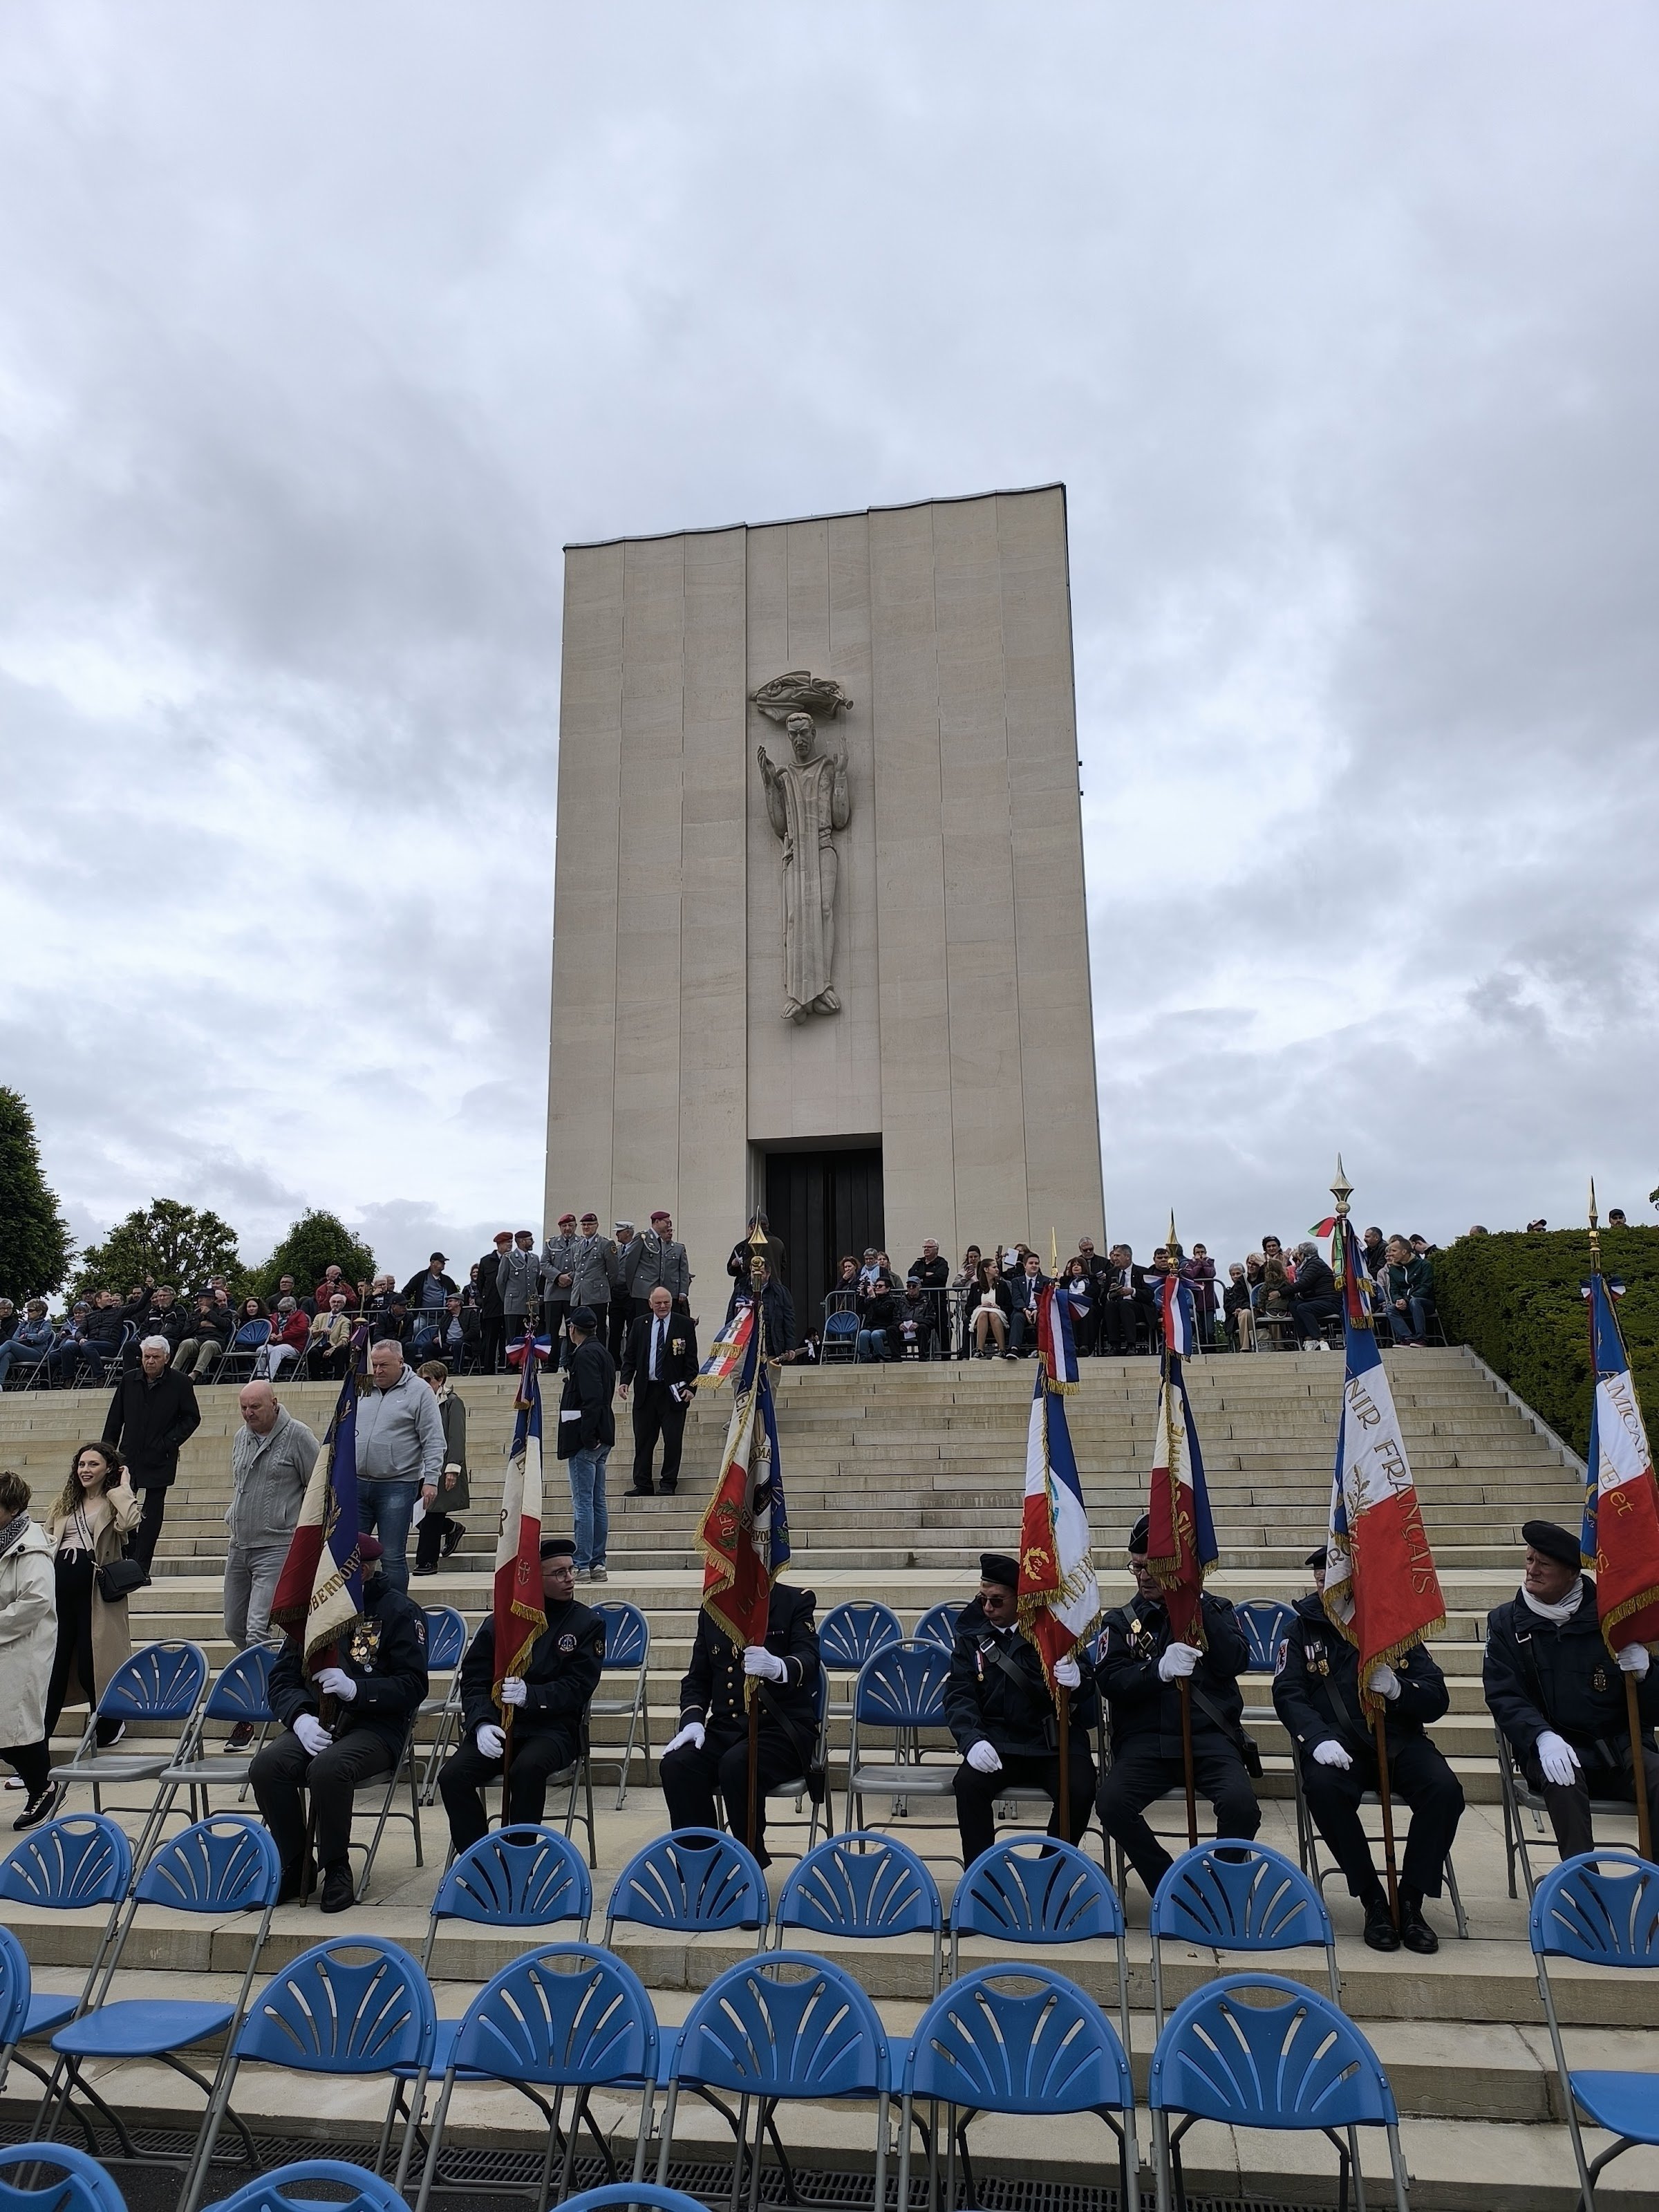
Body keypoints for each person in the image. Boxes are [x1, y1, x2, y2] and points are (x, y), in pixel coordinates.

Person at [1275, 1546, 1463, 1953]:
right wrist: (1316, 1737)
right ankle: (1373, 1898)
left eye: (1332, 1578)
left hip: (1399, 1740)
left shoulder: (1393, 1625)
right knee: (1322, 1789)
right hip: (1337, 1745)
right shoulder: (1303, 1628)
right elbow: (1287, 1692)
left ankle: (1410, 1899)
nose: (1322, 1585)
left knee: (1445, 1791)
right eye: (1319, 1579)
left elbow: (1437, 1698)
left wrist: (1399, 1690)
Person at [251, 1534, 429, 1909]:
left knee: (329, 1769)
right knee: (268, 1766)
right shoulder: (316, 1612)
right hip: (317, 1721)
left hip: (375, 1727)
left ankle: (336, 1868)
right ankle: (296, 1862)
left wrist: (356, 1691)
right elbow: (282, 1678)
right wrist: (299, 1718)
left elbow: (413, 1686)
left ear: (360, 1571)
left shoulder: (398, 1611)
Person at [1095, 1515, 1261, 1895]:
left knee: (1241, 1807)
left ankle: (1223, 1887)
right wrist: (1158, 1671)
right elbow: (1110, 1680)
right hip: (1146, 1742)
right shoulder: (1121, 1622)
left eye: (1154, 1567)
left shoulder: (1214, 1610)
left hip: (1208, 1739)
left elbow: (1236, 1661)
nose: (1144, 1576)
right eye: (1137, 1566)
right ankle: (1172, 1885)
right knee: (1112, 1803)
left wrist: (1195, 1601)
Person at [1483, 1519, 1659, 1859]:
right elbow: (1504, 1695)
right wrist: (1540, 1737)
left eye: (1543, 1564)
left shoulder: (1615, 1619)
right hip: (1552, 1746)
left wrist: (1647, 1673)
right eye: (1529, 1559)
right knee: (1563, 1782)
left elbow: (1654, 1707)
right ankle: (1584, 1895)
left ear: (1571, 1574)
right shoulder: (1505, 1623)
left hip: (1618, 1747)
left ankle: (1655, 1892)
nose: (1532, 1570)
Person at [438, 1537, 604, 1849]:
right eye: (559, 1573)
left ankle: (519, 1856)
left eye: (571, 1570)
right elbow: (474, 1679)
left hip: (553, 1728)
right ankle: (479, 1859)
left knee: (526, 1770)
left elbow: (578, 1687)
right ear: (534, 1579)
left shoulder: (586, 1623)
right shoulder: (503, 1621)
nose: (570, 1579)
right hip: (501, 1725)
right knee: (453, 1777)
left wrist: (533, 1695)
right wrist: (481, 1723)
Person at [944, 1551, 1096, 1866]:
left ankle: (1049, 1874)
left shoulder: (1052, 1628)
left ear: (1021, 1599)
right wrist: (971, 1739)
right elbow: (959, 1694)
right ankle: (983, 1881)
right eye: (983, 1599)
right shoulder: (972, 1636)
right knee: (968, 1785)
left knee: (1080, 1789)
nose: (987, 1608)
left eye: (997, 1601)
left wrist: (1079, 1680)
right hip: (999, 1741)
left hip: (1051, 1741)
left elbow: (1087, 1697)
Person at [660, 1580, 821, 1866]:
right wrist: (693, 1721)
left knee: (737, 1764)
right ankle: (701, 1864)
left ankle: (749, 1865)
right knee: (677, 1764)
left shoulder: (795, 1601)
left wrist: (778, 1667)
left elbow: (809, 1659)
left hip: (782, 1729)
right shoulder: (714, 1608)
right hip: (727, 1728)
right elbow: (697, 1678)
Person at [26, 1442, 144, 1819]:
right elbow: (45, 1540)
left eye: (94, 1464)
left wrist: (121, 1488)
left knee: (94, 1665)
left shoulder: (114, 1500)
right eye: (81, 1464)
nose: (85, 1469)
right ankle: (36, 1750)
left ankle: (108, 1721)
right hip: (61, 1596)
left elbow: (131, 1523)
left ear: (109, 1467)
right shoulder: (65, 1502)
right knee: (54, 1671)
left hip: (96, 1597)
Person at [224, 1384, 319, 1740]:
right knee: (233, 1625)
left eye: (256, 1407)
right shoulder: (240, 1436)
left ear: (275, 1404)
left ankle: (263, 1706)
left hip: (277, 1544)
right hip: (240, 1543)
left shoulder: (299, 1436)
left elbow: (317, 1487)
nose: (249, 1414)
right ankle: (287, 1682)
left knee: (257, 1631)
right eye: (244, 1408)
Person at [101, 1336, 200, 1573]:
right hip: (129, 1456)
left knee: (152, 1511)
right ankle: (128, 1553)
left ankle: (142, 1565)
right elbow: (115, 1418)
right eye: (147, 1357)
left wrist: (169, 1442)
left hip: (161, 1456)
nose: (150, 1361)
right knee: (122, 1505)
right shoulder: (129, 1380)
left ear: (166, 1358)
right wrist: (106, 1451)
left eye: (156, 1357)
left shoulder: (180, 1383)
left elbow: (192, 1418)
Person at [355, 1339, 444, 1593]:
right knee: (350, 1552)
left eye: (384, 1365)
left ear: (401, 1363)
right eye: (374, 1365)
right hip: (357, 1483)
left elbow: (434, 1439)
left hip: (397, 1484)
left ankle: (395, 1611)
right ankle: (349, 1611)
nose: (378, 1370)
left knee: (392, 1554)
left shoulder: (420, 1391)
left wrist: (431, 1479)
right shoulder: (362, 1385)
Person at [0, 1471, 59, 1829]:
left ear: (11, 1507)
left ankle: (43, 1788)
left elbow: (36, 1600)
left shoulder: (30, 1545)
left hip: (21, 1648)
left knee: (18, 1727)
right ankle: (42, 1787)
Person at [620, 1287, 698, 1496]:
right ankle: (643, 1484)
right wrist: (625, 1381)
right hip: (646, 1392)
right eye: (658, 1303)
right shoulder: (639, 1324)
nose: (663, 1307)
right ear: (650, 1303)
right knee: (643, 1440)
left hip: (674, 1392)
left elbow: (692, 1361)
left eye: (666, 1303)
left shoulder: (684, 1324)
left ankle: (668, 1483)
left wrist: (692, 1388)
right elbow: (630, 1357)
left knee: (673, 1440)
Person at [559, 1309, 616, 1583]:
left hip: (589, 1438)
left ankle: (583, 1563)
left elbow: (592, 1398)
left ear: (573, 1329)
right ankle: (597, 1563)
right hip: (603, 1433)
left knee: (584, 1503)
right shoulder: (602, 1352)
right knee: (597, 1502)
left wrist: (586, 1435)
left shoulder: (583, 1355)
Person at [412, 1360, 469, 1575]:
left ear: (440, 1380)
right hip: (417, 1466)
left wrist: (453, 1468)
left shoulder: (452, 1402)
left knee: (432, 1515)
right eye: (421, 1380)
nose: (424, 1384)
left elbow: (456, 1436)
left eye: (429, 1380)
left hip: (441, 1466)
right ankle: (451, 1528)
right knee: (415, 1513)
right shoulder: (418, 1401)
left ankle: (427, 1562)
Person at [725, 1215, 787, 1321]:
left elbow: (746, 1266)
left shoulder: (750, 1243)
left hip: (752, 1290)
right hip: (775, 1286)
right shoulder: (779, 1243)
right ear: (767, 1225)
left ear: (754, 1226)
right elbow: (783, 1266)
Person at [732, 1255, 796, 1354]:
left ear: (768, 1273)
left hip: (771, 1347)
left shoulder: (780, 1292)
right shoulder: (741, 1289)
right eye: (753, 1272)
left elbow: (789, 1320)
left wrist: (790, 1346)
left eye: (761, 1273)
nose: (756, 1275)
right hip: (745, 1346)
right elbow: (731, 1315)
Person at [565, 1218, 614, 1346]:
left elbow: (613, 1271)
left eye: (590, 1224)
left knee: (598, 1330)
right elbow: (576, 1270)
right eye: (584, 1225)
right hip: (578, 1295)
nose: (587, 1227)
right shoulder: (576, 1246)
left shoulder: (605, 1244)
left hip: (597, 1295)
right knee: (575, 1329)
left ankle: (598, 1359)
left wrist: (603, 1287)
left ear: (597, 1225)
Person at [1379, 1236, 1433, 1347]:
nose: (1391, 1254)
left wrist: (1407, 1300)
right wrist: (1398, 1300)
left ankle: (1421, 1339)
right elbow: (1394, 1290)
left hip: (1424, 1304)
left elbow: (1426, 1287)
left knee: (1415, 1302)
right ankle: (1406, 1339)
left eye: (1394, 1251)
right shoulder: (1393, 1270)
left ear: (1404, 1252)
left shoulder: (1424, 1265)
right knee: (1391, 1309)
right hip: (1405, 1304)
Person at [541, 1212, 581, 1364]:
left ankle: (571, 1362)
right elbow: (544, 1264)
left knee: (574, 1329)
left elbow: (583, 1266)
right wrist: (558, 1277)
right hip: (553, 1293)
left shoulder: (581, 1242)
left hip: (573, 1293)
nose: (567, 1229)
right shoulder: (551, 1243)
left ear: (575, 1226)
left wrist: (570, 1278)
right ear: (560, 1227)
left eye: (570, 1225)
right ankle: (550, 1363)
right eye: (564, 1226)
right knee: (551, 1330)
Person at [1099, 1248, 1154, 1354]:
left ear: (1127, 1256)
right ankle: (1114, 1345)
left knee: (1125, 1304)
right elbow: (1103, 1298)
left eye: (1118, 1255)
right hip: (1118, 1307)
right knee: (1110, 1305)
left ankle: (1131, 1345)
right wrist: (1112, 1294)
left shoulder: (1142, 1272)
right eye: (1114, 1255)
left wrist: (1132, 1291)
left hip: (1138, 1307)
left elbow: (1150, 1295)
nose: (1114, 1258)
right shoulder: (1111, 1273)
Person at [1289, 1241, 1340, 1349]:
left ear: (1303, 1254)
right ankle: (1308, 1339)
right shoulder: (1306, 1266)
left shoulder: (1315, 1264)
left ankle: (1320, 1339)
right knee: (1293, 1305)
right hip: (1317, 1299)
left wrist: (1280, 1292)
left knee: (1304, 1308)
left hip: (1330, 1301)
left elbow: (1303, 1284)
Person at [476, 1231, 514, 1374]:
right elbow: (481, 1283)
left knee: (509, 1338)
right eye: (507, 1243)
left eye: (511, 1242)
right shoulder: (486, 1261)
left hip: (509, 1305)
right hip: (492, 1306)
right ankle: (488, 1370)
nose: (510, 1245)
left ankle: (510, 1367)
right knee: (491, 1340)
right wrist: (484, 1300)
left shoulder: (513, 1259)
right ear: (499, 1245)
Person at [173, 1293, 233, 1382]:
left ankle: (195, 1373)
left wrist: (209, 1313)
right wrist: (200, 1324)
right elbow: (185, 1332)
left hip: (216, 1342)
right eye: (198, 1298)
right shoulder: (195, 1314)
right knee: (186, 1343)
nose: (199, 1301)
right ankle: (173, 1370)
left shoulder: (224, 1312)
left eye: (202, 1298)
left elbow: (226, 1326)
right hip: (198, 1339)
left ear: (212, 1299)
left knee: (208, 1345)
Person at [0, 1301, 55, 1388]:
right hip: (22, 1351)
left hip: (36, 1353)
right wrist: (33, 1337)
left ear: (40, 1312)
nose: (28, 1313)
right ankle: (0, 1384)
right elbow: (15, 1338)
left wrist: (26, 1335)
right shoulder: (23, 1324)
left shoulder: (46, 1324)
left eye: (30, 1310)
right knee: (7, 1355)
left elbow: (41, 1338)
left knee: (9, 1344)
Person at [255, 1296, 309, 1380]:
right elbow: (269, 1329)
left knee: (277, 1350)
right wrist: (271, 1336)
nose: (283, 1314)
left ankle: (268, 1377)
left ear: (293, 1309)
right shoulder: (275, 1316)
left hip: (294, 1345)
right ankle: (260, 1376)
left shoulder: (301, 1315)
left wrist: (284, 1335)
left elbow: (302, 1329)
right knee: (261, 1349)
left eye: (287, 1312)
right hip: (276, 1343)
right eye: (281, 1311)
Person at [1006, 1253, 1048, 1358]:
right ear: (1025, 1266)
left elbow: (1046, 1299)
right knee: (1017, 1317)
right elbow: (1016, 1298)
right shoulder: (1017, 1281)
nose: (1034, 1265)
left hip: (1039, 1310)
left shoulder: (1046, 1281)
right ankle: (1014, 1349)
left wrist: (1037, 1310)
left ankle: (1043, 1349)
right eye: (1031, 1263)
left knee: (1043, 1317)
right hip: (1023, 1310)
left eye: (1036, 1263)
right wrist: (1025, 1310)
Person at [970, 1258, 1013, 1358]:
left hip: (998, 1314)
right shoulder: (975, 1286)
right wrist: (979, 1306)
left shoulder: (1002, 1285)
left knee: (993, 1314)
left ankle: (1002, 1350)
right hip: (980, 1314)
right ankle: (980, 1350)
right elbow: (968, 1308)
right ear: (986, 1269)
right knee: (983, 1314)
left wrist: (998, 1307)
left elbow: (1009, 1306)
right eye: (994, 1267)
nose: (997, 1269)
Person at [855, 1273, 900, 1363]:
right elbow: (860, 1310)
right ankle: (864, 1357)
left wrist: (873, 1297)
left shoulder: (890, 1302)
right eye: (876, 1286)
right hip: (870, 1327)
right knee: (863, 1334)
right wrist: (861, 1295)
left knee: (876, 1335)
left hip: (884, 1328)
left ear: (888, 1289)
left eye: (880, 1286)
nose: (877, 1288)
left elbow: (882, 1312)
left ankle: (880, 1357)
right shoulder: (872, 1299)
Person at [894, 1276, 941, 1361]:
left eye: (914, 1286)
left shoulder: (927, 1302)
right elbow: (895, 1317)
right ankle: (896, 1357)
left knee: (923, 1328)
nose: (911, 1288)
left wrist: (918, 1323)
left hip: (919, 1329)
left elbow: (931, 1319)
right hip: (904, 1329)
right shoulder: (901, 1302)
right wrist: (899, 1324)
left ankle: (922, 1356)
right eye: (909, 1286)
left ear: (919, 1287)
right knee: (892, 1329)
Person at [1058, 1257, 1098, 1355]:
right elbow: (1062, 1294)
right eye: (1074, 1265)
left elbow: (1094, 1292)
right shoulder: (1066, 1281)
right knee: (1068, 1310)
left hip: (1086, 1305)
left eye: (1078, 1265)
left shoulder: (1091, 1280)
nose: (1076, 1267)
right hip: (1071, 1305)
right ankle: (1073, 1345)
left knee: (1089, 1310)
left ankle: (1085, 1345)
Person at [1182, 1244, 1218, 1349]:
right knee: (1200, 1329)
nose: (1200, 1254)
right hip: (1196, 1301)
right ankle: (1202, 1349)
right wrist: (1198, 1263)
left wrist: (1204, 1263)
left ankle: (1212, 1349)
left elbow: (1211, 1273)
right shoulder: (1189, 1264)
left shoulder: (1210, 1262)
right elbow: (1191, 1275)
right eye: (1198, 1252)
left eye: (1202, 1252)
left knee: (1210, 1330)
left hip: (1209, 1301)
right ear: (1194, 1254)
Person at [1223, 1264, 1255, 1351]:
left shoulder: (1249, 1287)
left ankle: (1247, 1346)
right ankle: (1245, 1347)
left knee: (1245, 1313)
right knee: (1244, 1313)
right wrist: (1238, 1309)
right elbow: (1228, 1306)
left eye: (1238, 1274)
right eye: (1233, 1274)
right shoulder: (1229, 1291)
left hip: (1252, 1314)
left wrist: (1243, 1308)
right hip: (1234, 1319)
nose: (1236, 1277)